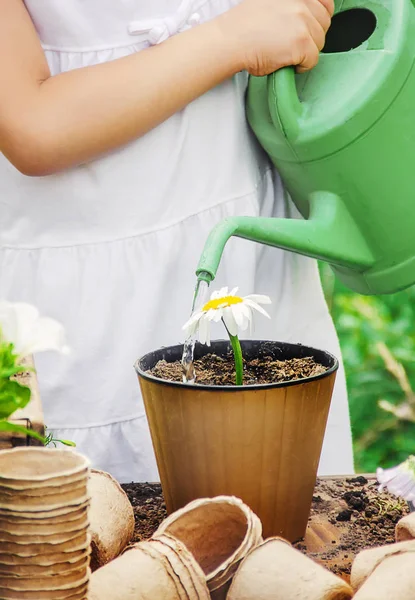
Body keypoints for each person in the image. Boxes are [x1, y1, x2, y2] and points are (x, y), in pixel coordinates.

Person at [0, 0, 354, 482]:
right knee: (97, 532)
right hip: (95, 283)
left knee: (285, 519)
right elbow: (31, 127)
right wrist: (231, 38)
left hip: (243, 238)